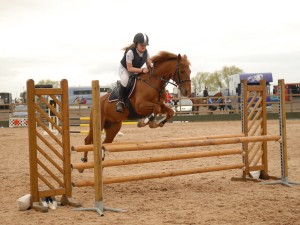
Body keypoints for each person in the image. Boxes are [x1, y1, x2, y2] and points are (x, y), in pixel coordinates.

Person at [116, 33, 153, 113]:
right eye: (141, 44)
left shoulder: (146, 53)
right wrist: (142, 70)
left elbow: (149, 65)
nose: (144, 46)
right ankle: (120, 101)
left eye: (145, 45)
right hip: (125, 69)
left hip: (135, 70)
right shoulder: (130, 52)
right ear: (136, 44)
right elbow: (129, 68)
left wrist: (152, 68)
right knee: (125, 80)